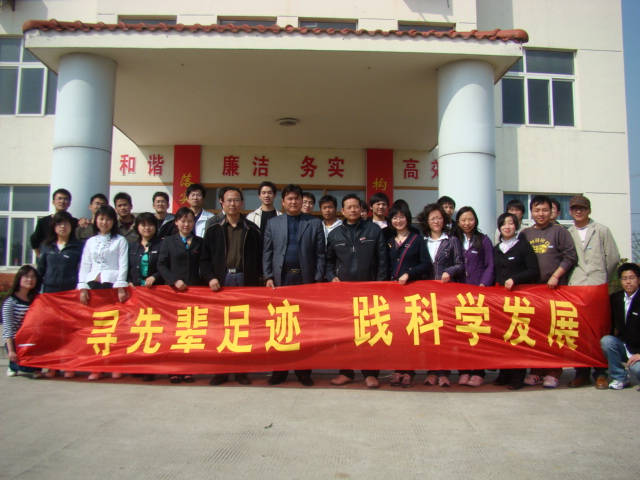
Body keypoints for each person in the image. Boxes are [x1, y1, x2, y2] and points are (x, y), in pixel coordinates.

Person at [262, 184, 325, 387]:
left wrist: (318, 279)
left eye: (297, 198)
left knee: (304, 326)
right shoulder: (274, 223)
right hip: (282, 280)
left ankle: (303, 371)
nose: (294, 202)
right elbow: (267, 252)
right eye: (289, 198)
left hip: (305, 281)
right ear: (283, 202)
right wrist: (268, 276)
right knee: (280, 324)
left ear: (302, 200)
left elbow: (320, 254)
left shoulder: (314, 223)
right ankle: (279, 371)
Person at [201, 186, 263, 386]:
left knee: (243, 327)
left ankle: (241, 371)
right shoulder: (213, 229)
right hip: (221, 282)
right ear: (222, 202)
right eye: (228, 200)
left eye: (236, 200)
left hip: (245, 281)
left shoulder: (252, 230)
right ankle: (221, 371)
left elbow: (261, 259)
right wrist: (210, 277)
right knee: (220, 327)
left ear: (242, 203)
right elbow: (204, 259)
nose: (232, 204)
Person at [327, 194, 388, 389]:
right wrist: (331, 276)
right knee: (345, 334)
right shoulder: (334, 234)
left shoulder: (373, 230)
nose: (353, 210)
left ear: (362, 209)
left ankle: (370, 374)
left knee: (370, 332)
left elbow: (383, 260)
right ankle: (346, 372)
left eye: (356, 206)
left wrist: (380, 284)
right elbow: (328, 261)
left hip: (369, 289)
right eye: (349, 207)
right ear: (342, 211)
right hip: (344, 292)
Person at [518, 195, 577, 388]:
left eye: (545, 210)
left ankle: (554, 371)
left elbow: (570, 256)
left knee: (555, 333)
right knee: (535, 333)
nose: (541, 214)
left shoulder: (559, 232)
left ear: (551, 211)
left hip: (555, 290)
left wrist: (556, 276)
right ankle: (536, 370)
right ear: (531, 212)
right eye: (537, 210)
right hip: (533, 292)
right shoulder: (525, 234)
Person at [567, 195, 620, 388]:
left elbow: (613, 257)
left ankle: (601, 372)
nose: (578, 211)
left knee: (599, 330)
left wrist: (601, 276)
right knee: (579, 332)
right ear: (570, 212)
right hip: (576, 287)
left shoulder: (602, 230)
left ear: (589, 210)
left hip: (597, 285)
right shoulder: (567, 232)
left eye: (582, 208)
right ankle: (581, 372)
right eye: (575, 208)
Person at [77, 205, 129, 381]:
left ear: (113, 221)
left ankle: (115, 365)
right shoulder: (90, 242)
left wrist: (121, 286)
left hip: (112, 286)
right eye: (101, 219)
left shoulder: (120, 240)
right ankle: (96, 367)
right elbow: (85, 265)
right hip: (93, 287)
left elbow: (123, 264)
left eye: (108, 219)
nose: (104, 222)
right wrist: (83, 287)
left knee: (114, 328)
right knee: (96, 329)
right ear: (95, 220)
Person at [417, 203, 464, 387]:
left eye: (439, 218)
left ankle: (444, 372)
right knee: (429, 334)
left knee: (445, 334)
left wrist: (449, 271)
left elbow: (460, 264)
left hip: (446, 295)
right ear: (426, 221)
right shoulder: (422, 241)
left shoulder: (451, 241)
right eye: (432, 219)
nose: (436, 221)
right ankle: (431, 372)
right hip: (426, 295)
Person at [492, 213, 540, 390]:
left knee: (518, 337)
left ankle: (518, 375)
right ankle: (504, 373)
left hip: (520, 299)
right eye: (503, 224)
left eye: (511, 223)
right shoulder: (496, 249)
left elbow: (534, 270)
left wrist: (515, 279)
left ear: (516, 226)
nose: (507, 227)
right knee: (503, 336)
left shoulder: (523, 246)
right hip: (500, 300)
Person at [386, 202, 432, 388]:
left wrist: (409, 274)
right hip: (392, 293)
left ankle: (409, 371)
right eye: (395, 217)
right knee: (396, 332)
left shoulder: (416, 239)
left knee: (411, 332)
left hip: (411, 292)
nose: (398, 220)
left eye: (402, 217)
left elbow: (426, 264)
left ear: (407, 218)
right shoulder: (389, 240)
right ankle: (398, 369)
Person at [157, 207, 203, 384]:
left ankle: (188, 368)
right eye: (183, 221)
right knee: (173, 331)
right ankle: (173, 369)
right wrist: (173, 281)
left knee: (190, 331)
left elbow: (204, 264)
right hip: (174, 293)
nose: (186, 224)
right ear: (176, 222)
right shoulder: (168, 241)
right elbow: (162, 265)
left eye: (190, 221)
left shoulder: (199, 242)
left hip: (194, 293)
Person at [36, 211, 84, 379]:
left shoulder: (78, 247)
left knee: (70, 332)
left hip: (70, 295)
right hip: (50, 295)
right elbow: (40, 270)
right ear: (54, 227)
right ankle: (53, 366)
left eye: (66, 223)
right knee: (52, 332)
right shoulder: (46, 246)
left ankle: (70, 365)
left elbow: (82, 270)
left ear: (71, 226)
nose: (63, 227)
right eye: (59, 224)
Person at [454, 206, 495, 387]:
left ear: (475, 220)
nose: (467, 223)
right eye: (463, 220)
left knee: (478, 334)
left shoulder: (483, 240)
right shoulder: (454, 240)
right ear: (458, 222)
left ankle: (479, 372)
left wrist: (484, 284)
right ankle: (463, 370)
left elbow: (490, 265)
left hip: (478, 294)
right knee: (462, 335)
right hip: (459, 295)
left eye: (470, 219)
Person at [127, 212, 164, 382]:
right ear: (137, 227)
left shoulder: (161, 245)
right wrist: (128, 281)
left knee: (153, 331)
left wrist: (155, 276)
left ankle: (151, 366)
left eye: (150, 224)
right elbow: (126, 267)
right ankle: (138, 364)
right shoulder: (132, 246)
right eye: (143, 225)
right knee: (137, 330)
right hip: (136, 294)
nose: (146, 228)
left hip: (155, 294)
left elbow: (164, 266)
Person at [600, 263, 640, 390]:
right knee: (607, 341)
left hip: (638, 351)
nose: (628, 282)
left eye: (632, 278)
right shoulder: (615, 299)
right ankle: (620, 378)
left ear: (639, 280)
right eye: (624, 278)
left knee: (637, 369)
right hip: (625, 346)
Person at [3, 265, 43, 378]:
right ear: (19, 278)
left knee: (35, 365)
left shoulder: (37, 299)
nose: (30, 280)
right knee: (26, 367)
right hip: (16, 339)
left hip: (32, 338)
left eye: (33, 277)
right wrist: (11, 351)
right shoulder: (10, 302)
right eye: (26, 276)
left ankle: (28, 366)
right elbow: (8, 329)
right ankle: (13, 366)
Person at [30, 188, 78, 257]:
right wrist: (40, 256)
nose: (62, 201)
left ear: (69, 203)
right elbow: (34, 240)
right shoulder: (43, 221)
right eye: (59, 199)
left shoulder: (74, 222)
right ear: (53, 202)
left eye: (65, 199)